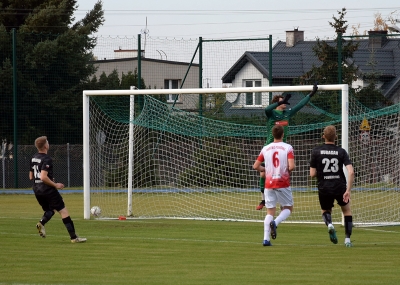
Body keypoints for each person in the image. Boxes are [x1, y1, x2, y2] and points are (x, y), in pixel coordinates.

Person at [257, 82, 318, 210]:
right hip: (269, 146)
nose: (284, 103)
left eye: (284, 101)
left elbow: (300, 105)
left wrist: (310, 95)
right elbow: (266, 109)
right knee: (263, 174)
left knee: (282, 174)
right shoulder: (272, 114)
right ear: (277, 103)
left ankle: (281, 202)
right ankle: (263, 199)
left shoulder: (287, 114)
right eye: (282, 101)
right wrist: (279, 102)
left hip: (282, 148)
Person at [29, 136, 87, 243]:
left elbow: (31, 177)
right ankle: (74, 238)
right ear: (46, 146)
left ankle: (41, 223)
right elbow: (43, 177)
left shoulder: (33, 158)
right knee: (63, 211)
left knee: (51, 209)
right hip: (47, 189)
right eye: (48, 142)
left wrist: (48, 179)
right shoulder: (47, 159)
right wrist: (55, 185)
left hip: (37, 190)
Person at [309, 125, 354, 247]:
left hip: (324, 186)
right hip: (340, 186)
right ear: (336, 137)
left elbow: (312, 174)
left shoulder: (316, 151)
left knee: (326, 210)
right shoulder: (341, 151)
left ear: (323, 136)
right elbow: (351, 171)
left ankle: (329, 224)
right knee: (347, 211)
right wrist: (348, 190)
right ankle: (347, 240)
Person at [253, 125, 295, 246]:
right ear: (283, 134)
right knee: (288, 208)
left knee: (270, 211)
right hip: (282, 182)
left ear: (272, 135)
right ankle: (275, 223)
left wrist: (265, 170)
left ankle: (266, 239)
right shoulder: (288, 148)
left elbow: (256, 166)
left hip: (269, 184)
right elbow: (291, 166)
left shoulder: (265, 148)